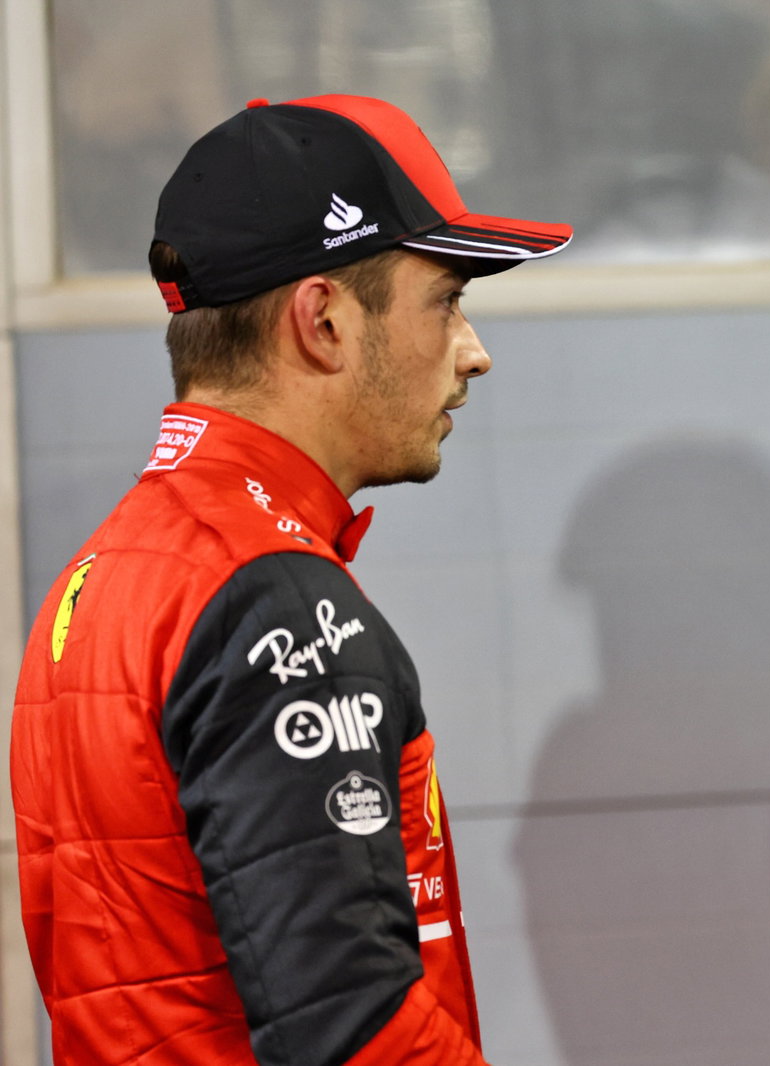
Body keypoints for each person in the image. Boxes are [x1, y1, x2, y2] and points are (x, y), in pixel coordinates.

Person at [9, 94, 571, 1065]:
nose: (474, 353)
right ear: (323, 321)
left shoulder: (103, 573)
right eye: (445, 300)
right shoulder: (275, 605)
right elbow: (353, 1027)